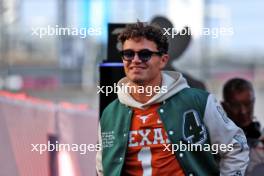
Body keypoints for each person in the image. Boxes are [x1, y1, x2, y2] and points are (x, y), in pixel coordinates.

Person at [96, 22, 249, 176]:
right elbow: (102, 167)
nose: (135, 60)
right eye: (128, 54)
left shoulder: (199, 102)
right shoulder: (110, 113)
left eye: (145, 54)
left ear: (163, 60)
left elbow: (236, 147)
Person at [222, 78, 264, 175]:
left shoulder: (260, 140)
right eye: (235, 106)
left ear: (253, 102)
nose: (243, 111)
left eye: (247, 104)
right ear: (224, 106)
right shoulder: (215, 144)